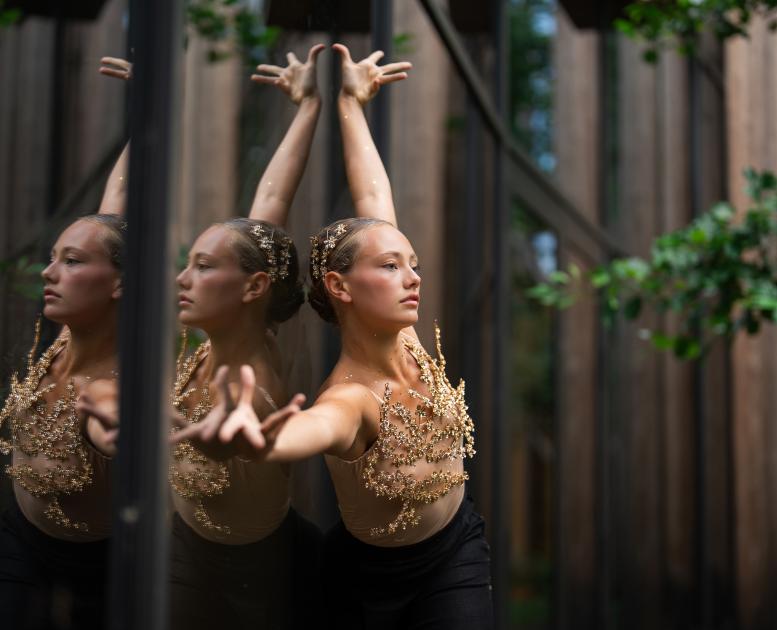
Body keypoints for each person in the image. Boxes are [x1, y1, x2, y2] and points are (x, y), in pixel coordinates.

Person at [191, 44, 494, 630]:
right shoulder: (347, 399)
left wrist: (350, 101)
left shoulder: (410, 344)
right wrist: (256, 441)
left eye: (412, 264)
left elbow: (374, 201)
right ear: (341, 285)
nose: (412, 278)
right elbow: (311, 428)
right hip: (365, 582)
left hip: (457, 547)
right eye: (388, 267)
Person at [167, 44, 324, 630]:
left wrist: (233, 435)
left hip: (262, 577)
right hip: (187, 546)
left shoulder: (255, 381)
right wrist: (307, 106)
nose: (184, 279)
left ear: (255, 287)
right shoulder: (221, 339)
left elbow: (242, 437)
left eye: (205, 267)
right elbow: (271, 204)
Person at [0, 57, 131, 630]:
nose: (50, 272)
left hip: (93, 575)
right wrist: (141, 111)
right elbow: (116, 205)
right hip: (14, 539)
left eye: (71, 262)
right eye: (53, 257)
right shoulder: (62, 339)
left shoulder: (116, 383)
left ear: (121, 281)